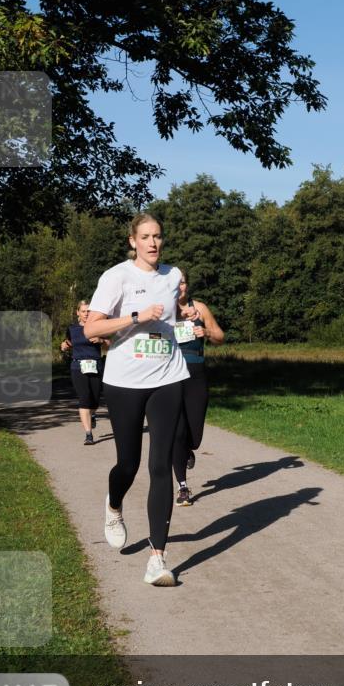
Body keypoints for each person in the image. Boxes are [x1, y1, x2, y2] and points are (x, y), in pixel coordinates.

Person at [83, 213, 199, 587]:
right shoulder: (116, 276)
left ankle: (157, 559)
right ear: (132, 241)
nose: (153, 242)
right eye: (146, 237)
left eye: (158, 236)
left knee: (160, 466)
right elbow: (92, 327)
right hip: (124, 381)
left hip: (168, 377)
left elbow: (175, 314)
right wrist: (135, 316)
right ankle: (114, 505)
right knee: (128, 465)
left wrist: (187, 312)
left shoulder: (173, 274)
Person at [172, 271, 225, 507]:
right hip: (170, 375)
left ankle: (189, 450)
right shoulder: (163, 309)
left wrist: (206, 332)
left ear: (187, 285)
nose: (180, 286)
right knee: (177, 433)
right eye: (175, 283)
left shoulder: (200, 308)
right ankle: (182, 486)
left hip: (196, 373)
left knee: (194, 434)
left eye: (183, 282)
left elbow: (220, 336)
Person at [60, 300, 109, 445]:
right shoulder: (72, 328)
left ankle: (92, 415)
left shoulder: (98, 327)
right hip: (78, 367)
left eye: (89, 311)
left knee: (94, 400)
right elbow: (68, 342)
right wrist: (63, 346)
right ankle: (88, 434)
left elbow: (110, 343)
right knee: (84, 398)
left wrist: (101, 340)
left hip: (96, 366)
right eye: (83, 311)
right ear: (78, 313)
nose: (86, 314)